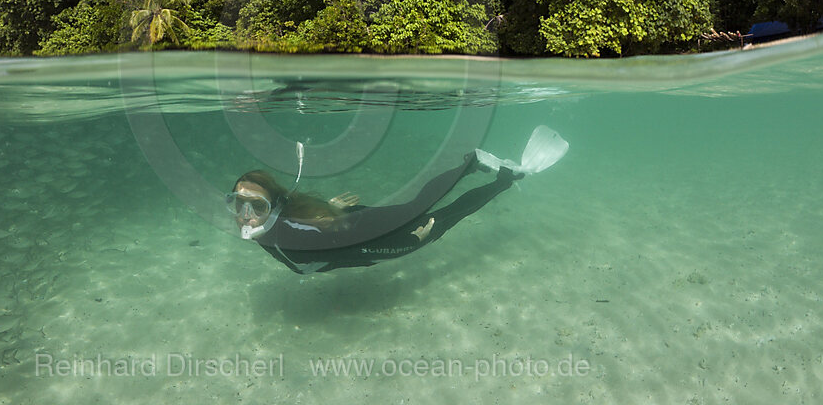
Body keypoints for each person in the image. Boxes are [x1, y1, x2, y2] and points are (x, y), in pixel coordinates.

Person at [226, 126, 568, 274]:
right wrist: (324, 212)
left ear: (271, 208)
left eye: (256, 206)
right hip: (345, 229)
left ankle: (480, 166)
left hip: (369, 239)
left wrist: (405, 242)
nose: (244, 215)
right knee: (424, 209)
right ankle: (494, 175)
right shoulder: (272, 228)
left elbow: (351, 250)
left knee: (429, 212)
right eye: (237, 204)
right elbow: (293, 213)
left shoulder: (293, 238)